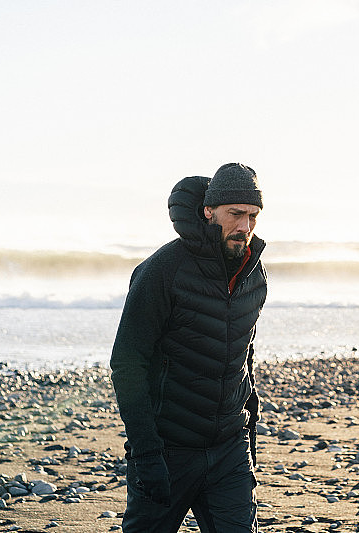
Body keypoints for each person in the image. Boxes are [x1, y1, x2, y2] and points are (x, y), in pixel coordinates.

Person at [110, 163, 267, 532]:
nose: (245, 226)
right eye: (235, 214)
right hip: (168, 451)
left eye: (253, 216)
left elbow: (244, 355)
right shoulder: (162, 270)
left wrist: (250, 431)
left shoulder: (253, 273)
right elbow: (127, 364)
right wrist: (146, 454)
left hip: (229, 450)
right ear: (209, 211)